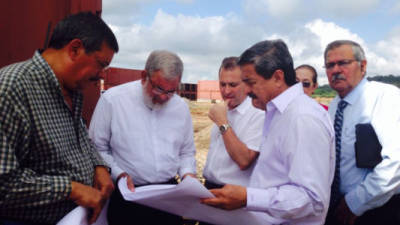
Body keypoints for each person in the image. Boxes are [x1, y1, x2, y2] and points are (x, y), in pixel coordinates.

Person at [0, 12, 118, 225]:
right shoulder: (11, 88)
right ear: (74, 49)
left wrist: (99, 166)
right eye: (100, 64)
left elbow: (80, 142)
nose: (102, 75)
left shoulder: (71, 88)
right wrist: (71, 189)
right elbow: (3, 184)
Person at [202, 39, 335, 225]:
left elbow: (311, 199)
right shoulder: (276, 113)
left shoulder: (302, 118)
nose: (246, 90)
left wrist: (249, 198)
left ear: (278, 77)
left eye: (250, 82)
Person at [89, 50, 197, 225]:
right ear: (144, 76)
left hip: (169, 199)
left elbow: (186, 152)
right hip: (128, 197)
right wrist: (119, 174)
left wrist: (188, 175)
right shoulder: (113, 100)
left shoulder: (180, 108)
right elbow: (96, 148)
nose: (164, 97)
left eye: (171, 91)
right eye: (159, 88)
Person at [324, 40, 400, 225]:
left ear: (363, 65)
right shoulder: (334, 106)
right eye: (330, 65)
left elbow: (396, 161)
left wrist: (355, 202)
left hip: (379, 210)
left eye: (343, 63)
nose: (335, 70)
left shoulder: (385, 97)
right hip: (337, 207)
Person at [200, 57, 264, 225]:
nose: (226, 91)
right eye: (222, 84)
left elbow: (244, 160)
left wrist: (222, 123)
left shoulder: (258, 114)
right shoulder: (224, 109)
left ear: (247, 84)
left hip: (234, 200)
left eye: (233, 85)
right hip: (210, 190)